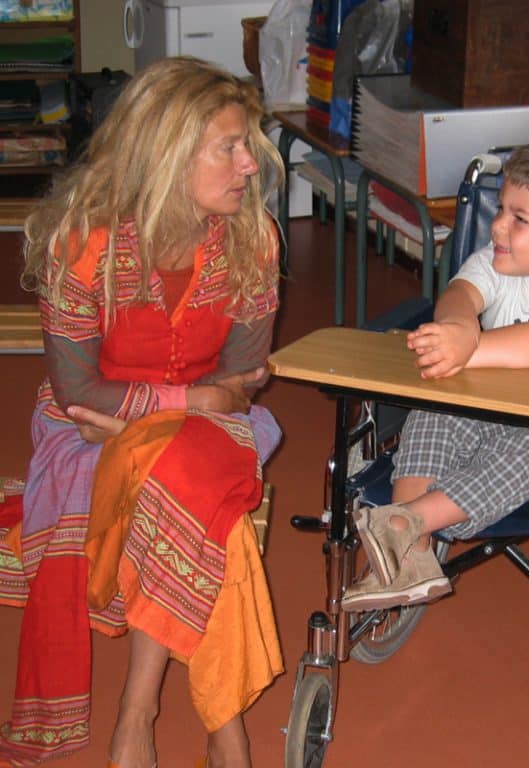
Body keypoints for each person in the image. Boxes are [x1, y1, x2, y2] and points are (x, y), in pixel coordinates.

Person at [0, 57, 285, 768]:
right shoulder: (84, 242)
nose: (250, 164)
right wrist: (188, 401)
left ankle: (139, 710)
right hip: (89, 433)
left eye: (248, 144)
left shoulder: (254, 239)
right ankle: (223, 728)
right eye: (229, 146)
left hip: (198, 427)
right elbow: (75, 394)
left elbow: (244, 380)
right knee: (202, 502)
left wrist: (166, 414)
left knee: (179, 466)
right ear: (166, 150)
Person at [341, 139, 529, 611]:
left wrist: (466, 349)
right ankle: (407, 559)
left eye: (519, 218)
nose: (497, 225)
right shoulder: (498, 262)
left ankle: (402, 521)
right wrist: (456, 327)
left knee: (527, 456)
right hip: (482, 406)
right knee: (433, 411)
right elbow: (459, 293)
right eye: (500, 209)